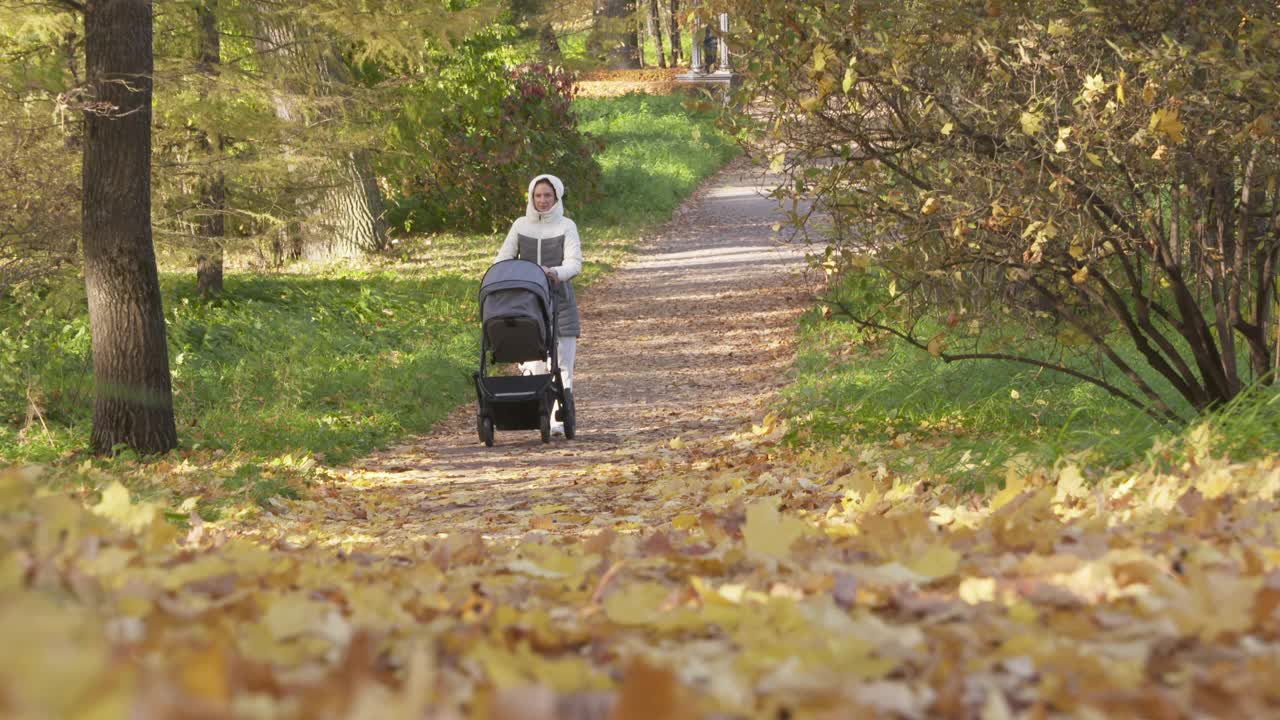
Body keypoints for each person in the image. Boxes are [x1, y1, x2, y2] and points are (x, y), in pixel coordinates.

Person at [494, 174, 582, 436]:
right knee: (534, 362)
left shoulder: (567, 226)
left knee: (563, 363)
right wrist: (521, 273)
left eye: (548, 195)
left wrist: (554, 272)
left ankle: (559, 418)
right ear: (532, 198)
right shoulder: (520, 225)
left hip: (559, 299)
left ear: (557, 197)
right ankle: (535, 413)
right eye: (538, 196)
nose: (543, 200)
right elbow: (503, 259)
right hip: (526, 301)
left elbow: (575, 263)